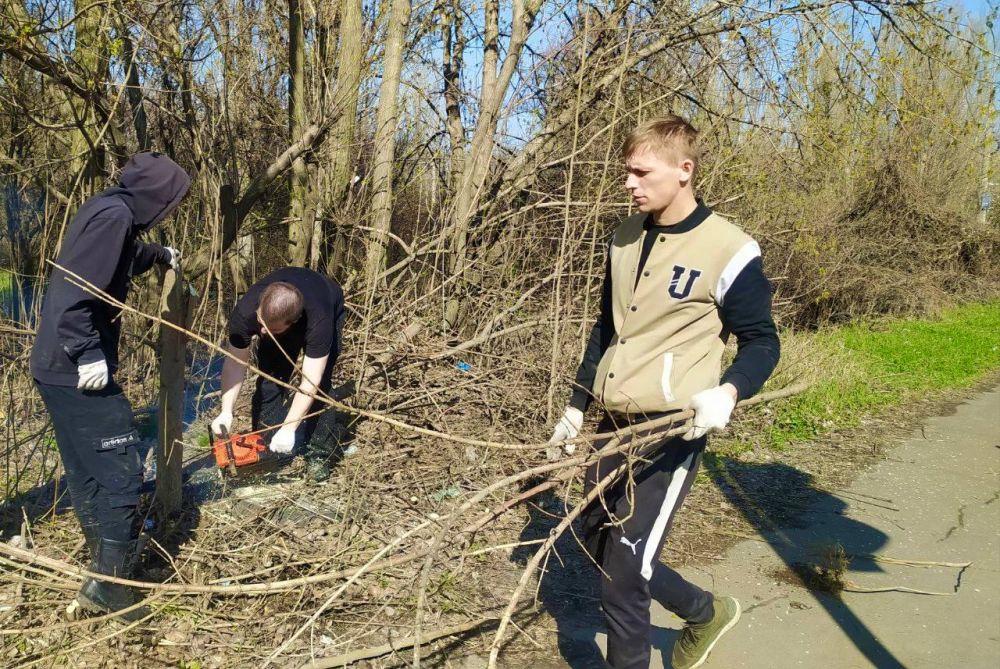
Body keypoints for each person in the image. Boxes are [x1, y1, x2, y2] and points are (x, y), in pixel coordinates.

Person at [548, 116, 780, 669]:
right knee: (594, 535)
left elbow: (762, 342)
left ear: (684, 170)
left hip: (673, 428)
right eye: (627, 171)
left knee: (623, 575)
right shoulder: (624, 237)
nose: (629, 183)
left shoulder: (729, 248)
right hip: (614, 421)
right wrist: (576, 408)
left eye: (641, 173)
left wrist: (728, 393)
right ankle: (704, 612)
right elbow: (606, 330)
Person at [30, 152, 190, 619]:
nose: (172, 209)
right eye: (172, 201)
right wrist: (87, 351)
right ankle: (112, 588)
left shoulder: (109, 209)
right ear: (157, 196)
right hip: (74, 366)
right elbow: (72, 293)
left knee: (87, 469)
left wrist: (158, 254)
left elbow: (117, 258)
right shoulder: (114, 218)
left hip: (54, 365)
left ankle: (103, 571)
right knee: (121, 468)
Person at [210, 267, 345, 482]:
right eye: (260, 323)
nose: (263, 331)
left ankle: (319, 453)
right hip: (280, 317)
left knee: (322, 388)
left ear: (293, 322)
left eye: (271, 329)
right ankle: (266, 447)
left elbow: (311, 381)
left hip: (326, 299)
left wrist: (289, 428)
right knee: (271, 379)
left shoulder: (320, 321)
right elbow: (235, 363)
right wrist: (226, 411)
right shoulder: (245, 312)